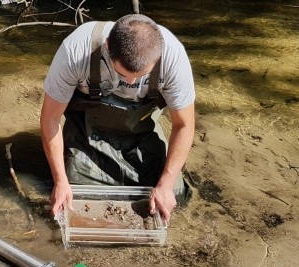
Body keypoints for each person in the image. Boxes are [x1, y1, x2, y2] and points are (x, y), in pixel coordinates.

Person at [40, 14, 195, 222]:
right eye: (121, 73)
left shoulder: (173, 57)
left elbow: (184, 125)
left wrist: (165, 184)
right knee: (75, 190)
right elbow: (50, 119)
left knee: (174, 192)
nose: (130, 81)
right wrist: (60, 181)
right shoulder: (76, 50)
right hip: (87, 129)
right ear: (106, 46)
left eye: (140, 76)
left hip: (141, 129)